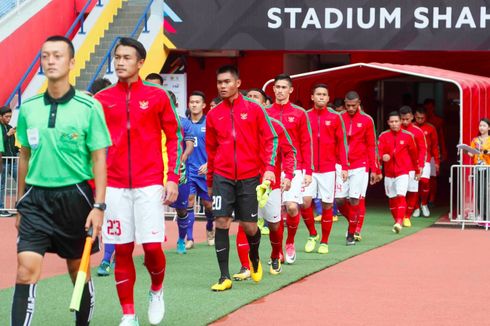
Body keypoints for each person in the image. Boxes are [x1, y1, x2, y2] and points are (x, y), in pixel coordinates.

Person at [11, 35, 111, 326]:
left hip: (75, 198)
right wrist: (20, 203)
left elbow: (98, 159)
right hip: (36, 200)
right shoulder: (28, 108)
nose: (51, 61)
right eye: (45, 56)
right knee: (25, 269)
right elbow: (24, 158)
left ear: (71, 62)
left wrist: (99, 206)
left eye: (57, 55)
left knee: (77, 270)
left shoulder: (89, 107)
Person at [95, 37, 182, 326]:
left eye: (127, 57)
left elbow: (174, 137)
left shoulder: (157, 97)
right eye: (117, 57)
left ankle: (157, 290)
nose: (120, 62)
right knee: (121, 249)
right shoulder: (102, 99)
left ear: (140, 62)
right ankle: (128, 314)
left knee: (153, 249)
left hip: (149, 184)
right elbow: (92, 146)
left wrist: (172, 179)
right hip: (115, 186)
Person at [206, 65, 277, 291]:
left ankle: (254, 257)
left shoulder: (254, 108)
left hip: (249, 176)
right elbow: (211, 150)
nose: (223, 86)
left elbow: (270, 139)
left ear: (237, 83)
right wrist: (210, 181)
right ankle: (224, 276)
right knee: (221, 222)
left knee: (249, 226)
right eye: (219, 83)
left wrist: (269, 168)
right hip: (222, 176)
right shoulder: (213, 114)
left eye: (227, 82)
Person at [267, 74, 312, 264]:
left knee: (292, 207)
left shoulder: (300, 113)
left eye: (284, 87)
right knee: (273, 215)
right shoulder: (266, 112)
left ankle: (290, 243)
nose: (280, 90)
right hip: (271, 168)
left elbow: (306, 142)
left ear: (291, 90)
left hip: (295, 167)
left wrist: (308, 171)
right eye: (277, 87)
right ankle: (276, 251)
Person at [303, 84, 348, 254]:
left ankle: (324, 241)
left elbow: (342, 143)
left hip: (329, 168)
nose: (321, 97)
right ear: (312, 97)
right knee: (305, 202)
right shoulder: (305, 116)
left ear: (328, 98)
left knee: (328, 205)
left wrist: (344, 166)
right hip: (309, 168)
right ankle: (312, 233)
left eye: (324, 94)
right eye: (318, 94)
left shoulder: (336, 117)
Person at [336, 91, 380, 245]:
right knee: (340, 200)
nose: (350, 108)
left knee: (355, 199)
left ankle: (351, 232)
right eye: (347, 105)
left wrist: (375, 169)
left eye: (353, 105)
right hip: (341, 165)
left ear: (359, 102)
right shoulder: (339, 118)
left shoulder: (367, 120)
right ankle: (353, 223)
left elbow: (371, 145)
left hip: (360, 165)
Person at [378, 111, 418, 233]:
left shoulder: (408, 136)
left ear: (400, 122)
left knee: (401, 195)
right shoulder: (383, 136)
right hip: (389, 173)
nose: (394, 124)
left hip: (403, 171)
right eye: (392, 122)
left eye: (396, 121)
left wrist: (417, 170)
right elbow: (378, 152)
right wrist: (382, 157)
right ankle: (396, 220)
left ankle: (400, 221)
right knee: (392, 198)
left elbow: (414, 154)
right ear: (388, 123)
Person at [186, 91, 215, 249]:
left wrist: (209, 163)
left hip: (205, 171)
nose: (194, 105)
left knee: (208, 204)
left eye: (197, 102)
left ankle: (210, 227)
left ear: (204, 105)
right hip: (189, 170)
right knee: (189, 201)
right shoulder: (185, 124)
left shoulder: (209, 123)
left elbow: (217, 147)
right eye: (192, 102)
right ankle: (190, 238)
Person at [399, 106, 427, 227]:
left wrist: (420, 166)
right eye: (402, 119)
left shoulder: (417, 131)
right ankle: (399, 216)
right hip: (399, 167)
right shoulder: (395, 129)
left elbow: (423, 150)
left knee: (412, 191)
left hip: (413, 167)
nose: (405, 121)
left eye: (407, 119)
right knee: (400, 193)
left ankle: (407, 216)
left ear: (411, 117)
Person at [414, 107, 440, 217]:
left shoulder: (431, 128)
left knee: (425, 182)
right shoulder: (410, 127)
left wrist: (437, 161)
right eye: (418, 118)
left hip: (426, 159)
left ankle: (424, 204)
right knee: (413, 185)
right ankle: (415, 207)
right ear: (414, 117)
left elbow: (435, 146)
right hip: (412, 160)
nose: (420, 120)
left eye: (422, 118)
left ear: (426, 117)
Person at [423, 99, 447, 205]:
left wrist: (443, 151)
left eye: (430, 107)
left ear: (433, 107)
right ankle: (422, 199)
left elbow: (441, 137)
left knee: (433, 177)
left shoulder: (438, 121)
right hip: (421, 154)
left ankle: (432, 198)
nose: (428, 109)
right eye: (426, 108)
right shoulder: (420, 120)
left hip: (433, 153)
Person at [468, 118, 490, 221]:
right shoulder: (475, 140)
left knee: (487, 192)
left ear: (489, 127)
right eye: (480, 125)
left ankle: (488, 217)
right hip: (477, 168)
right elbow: (471, 153)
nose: (481, 127)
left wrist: (486, 152)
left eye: (484, 125)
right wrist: (468, 151)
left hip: (488, 168)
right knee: (478, 192)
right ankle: (482, 216)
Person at [0, 106, 17, 217]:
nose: (9, 119)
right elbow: (2, 143)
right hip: (3, 160)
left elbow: (10, 145)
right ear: (0, 116)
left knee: (24, 182)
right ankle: (1, 208)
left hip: (13, 160)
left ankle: (22, 205)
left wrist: (18, 150)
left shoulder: (10, 127)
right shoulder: (1, 128)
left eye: (10, 117)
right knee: (2, 185)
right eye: (6, 117)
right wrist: (8, 134)